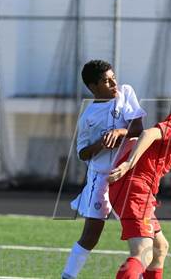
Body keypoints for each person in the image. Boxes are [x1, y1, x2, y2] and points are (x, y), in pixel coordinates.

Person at [108, 82, 171, 279]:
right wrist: (128, 164)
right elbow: (148, 133)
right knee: (143, 253)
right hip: (135, 189)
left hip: (138, 189)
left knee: (160, 248)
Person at [62, 60, 146, 279]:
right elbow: (82, 153)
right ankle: (68, 276)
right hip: (100, 179)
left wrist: (119, 132)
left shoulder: (126, 93)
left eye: (113, 77)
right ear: (93, 86)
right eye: (106, 81)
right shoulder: (87, 117)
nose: (113, 83)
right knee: (91, 235)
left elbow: (138, 128)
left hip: (128, 175)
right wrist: (100, 143)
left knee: (143, 233)